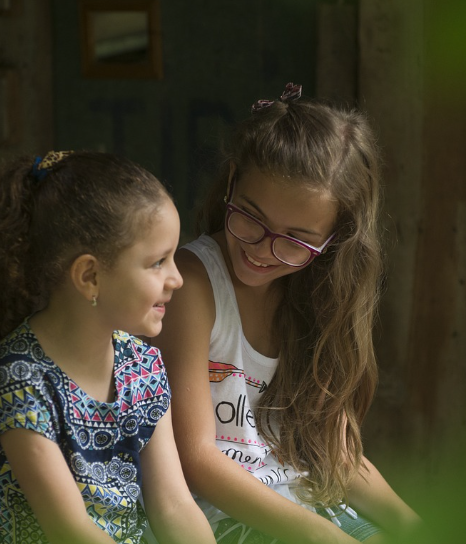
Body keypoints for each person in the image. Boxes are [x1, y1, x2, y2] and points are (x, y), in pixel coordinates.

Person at [151, 84, 422, 544]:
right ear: (232, 181)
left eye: (295, 240)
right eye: (251, 219)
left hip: (317, 508)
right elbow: (196, 458)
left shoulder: (316, 299)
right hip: (226, 519)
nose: (261, 250)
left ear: (335, 238)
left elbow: (334, 453)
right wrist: (321, 535)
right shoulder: (193, 284)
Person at [0, 151, 217, 544]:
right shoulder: (18, 382)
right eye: (158, 262)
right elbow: (69, 530)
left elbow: (174, 507)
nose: (176, 278)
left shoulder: (142, 365)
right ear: (89, 275)